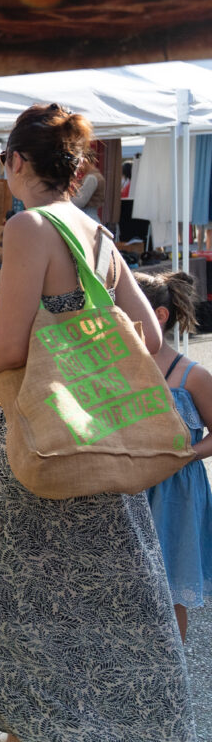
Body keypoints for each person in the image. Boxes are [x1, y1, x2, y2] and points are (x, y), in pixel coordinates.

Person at [0, 103, 197, 742]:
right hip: (98, 447)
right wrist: (89, 359)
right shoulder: (93, 231)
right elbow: (152, 328)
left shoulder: (28, 228)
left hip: (38, 445)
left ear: (18, 161)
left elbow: (12, 345)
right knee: (89, 607)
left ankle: (32, 725)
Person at [135, 269, 212, 643]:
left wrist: (183, 454)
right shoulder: (115, 370)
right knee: (125, 590)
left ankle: (171, 684)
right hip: (127, 488)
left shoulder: (193, 376)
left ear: (158, 316)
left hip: (176, 494)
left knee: (168, 596)